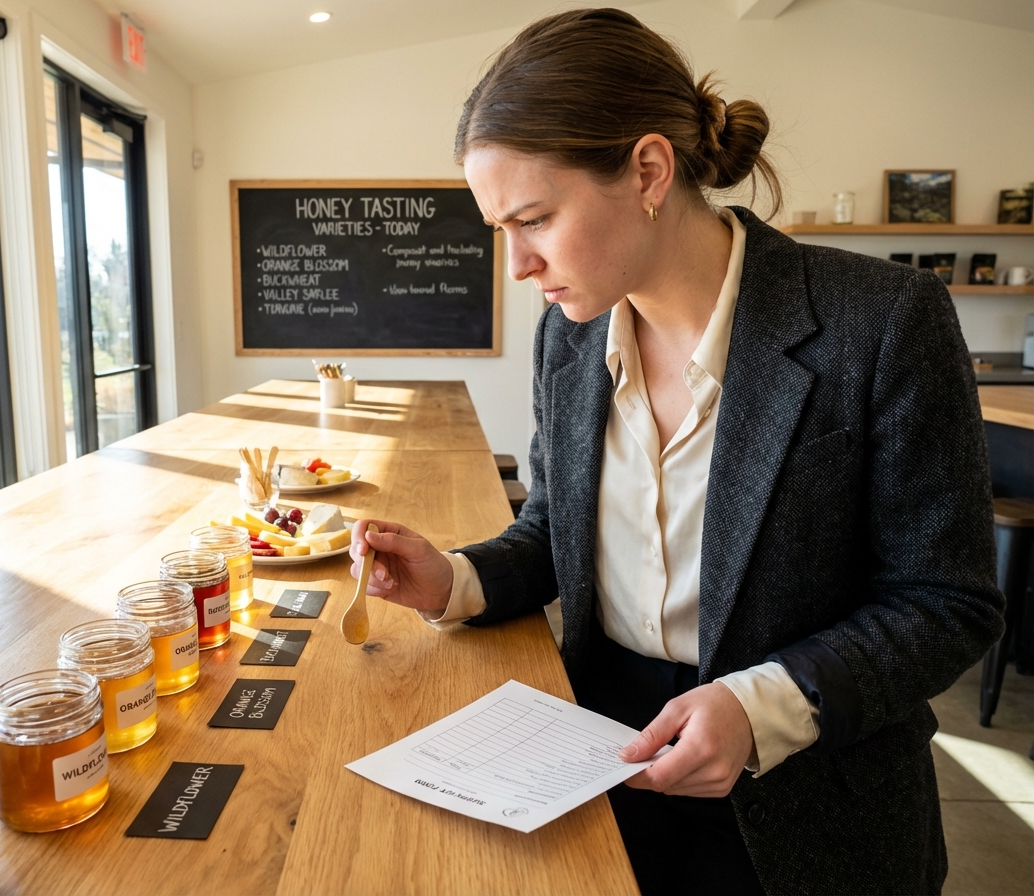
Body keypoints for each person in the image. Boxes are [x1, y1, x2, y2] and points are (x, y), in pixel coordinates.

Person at [348, 8, 1004, 895]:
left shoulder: (882, 322)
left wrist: (760, 705)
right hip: (595, 767)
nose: (518, 267)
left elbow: (946, 601)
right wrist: (456, 581)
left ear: (649, 170)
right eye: (500, 229)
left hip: (814, 803)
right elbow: (556, 530)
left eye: (534, 218)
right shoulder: (570, 340)